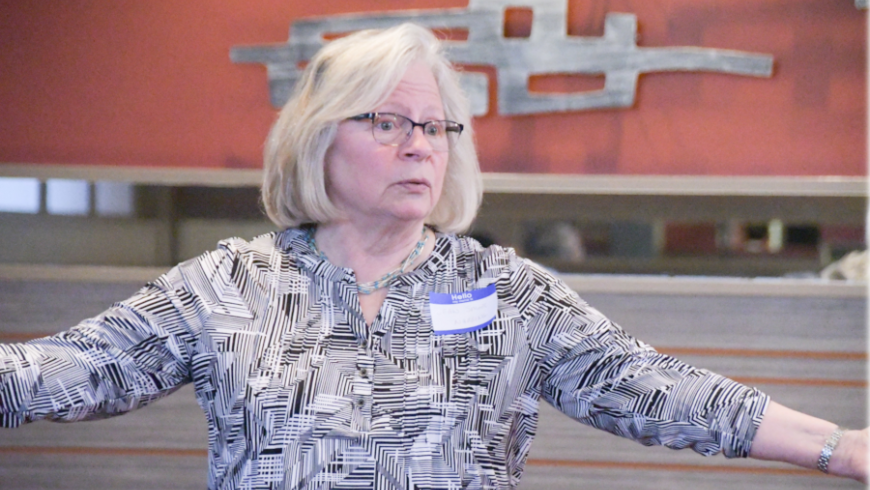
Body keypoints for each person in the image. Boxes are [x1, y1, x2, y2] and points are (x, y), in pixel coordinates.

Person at [1, 23, 868, 490]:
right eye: (388, 121)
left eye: (437, 125)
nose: (421, 145)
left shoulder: (506, 293)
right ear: (316, 140)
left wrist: (842, 448)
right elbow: (57, 373)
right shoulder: (227, 287)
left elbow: (664, 392)